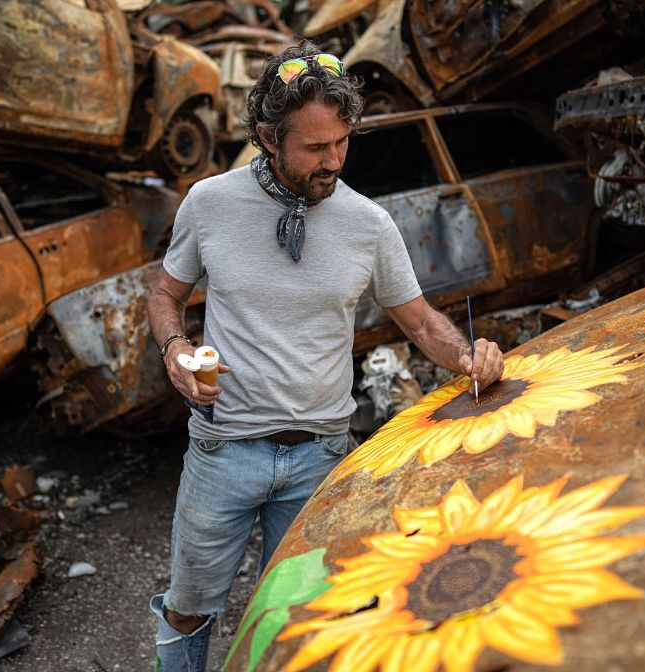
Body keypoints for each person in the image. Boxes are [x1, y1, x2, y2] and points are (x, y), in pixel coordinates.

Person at [146, 41, 504, 671]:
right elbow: (165, 296)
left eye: (342, 142)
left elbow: (420, 321)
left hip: (320, 457)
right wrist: (177, 350)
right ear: (267, 135)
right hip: (223, 448)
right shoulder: (210, 204)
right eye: (315, 148)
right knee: (190, 607)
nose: (333, 160)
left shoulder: (368, 223)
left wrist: (469, 353)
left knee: (294, 617)